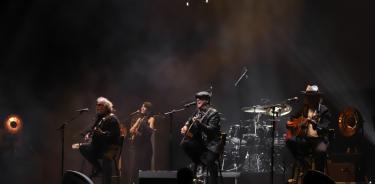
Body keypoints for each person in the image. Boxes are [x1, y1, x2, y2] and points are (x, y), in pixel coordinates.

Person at [285, 85, 331, 172]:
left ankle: (318, 175)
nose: (308, 99)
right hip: (306, 139)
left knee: (321, 151)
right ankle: (305, 165)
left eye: (311, 97)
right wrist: (289, 123)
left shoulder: (324, 110)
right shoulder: (305, 108)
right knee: (289, 141)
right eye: (307, 97)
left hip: (319, 139)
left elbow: (325, 127)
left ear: (317, 98)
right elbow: (293, 117)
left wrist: (315, 124)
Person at [180, 91, 222, 184]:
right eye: (197, 98)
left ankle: (211, 177)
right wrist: (186, 126)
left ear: (207, 101)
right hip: (201, 144)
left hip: (212, 145)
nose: (198, 100)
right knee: (184, 143)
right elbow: (189, 120)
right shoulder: (197, 112)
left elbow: (212, 130)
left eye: (201, 98)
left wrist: (200, 124)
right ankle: (200, 163)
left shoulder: (213, 113)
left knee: (210, 162)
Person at [79, 97, 121, 184]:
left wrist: (102, 133)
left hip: (110, 147)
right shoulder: (99, 118)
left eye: (100, 105)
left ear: (106, 107)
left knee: (106, 157)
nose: (97, 107)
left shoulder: (112, 119)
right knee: (83, 147)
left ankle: (106, 182)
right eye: (97, 105)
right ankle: (98, 168)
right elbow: (92, 128)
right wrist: (88, 134)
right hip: (99, 147)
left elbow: (113, 135)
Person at [126, 102, 156, 184]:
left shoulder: (151, 119)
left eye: (145, 107)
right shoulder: (139, 118)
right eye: (142, 106)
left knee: (145, 168)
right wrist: (137, 123)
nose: (142, 108)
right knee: (135, 168)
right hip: (137, 147)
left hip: (146, 147)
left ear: (149, 110)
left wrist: (141, 127)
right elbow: (131, 131)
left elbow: (150, 132)